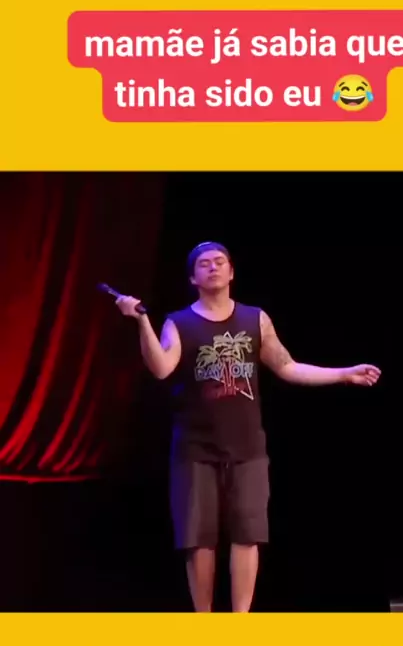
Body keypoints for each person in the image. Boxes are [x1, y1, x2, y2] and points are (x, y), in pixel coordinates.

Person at [115, 241, 381, 613]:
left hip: (247, 447)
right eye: (204, 264)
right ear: (193, 278)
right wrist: (142, 321)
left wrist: (343, 374)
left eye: (219, 261)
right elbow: (161, 368)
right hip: (195, 448)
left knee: (247, 534)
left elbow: (288, 367)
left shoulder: (255, 319)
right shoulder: (179, 322)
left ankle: (241, 623)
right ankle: (205, 624)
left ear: (232, 272)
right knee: (199, 540)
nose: (213, 267)